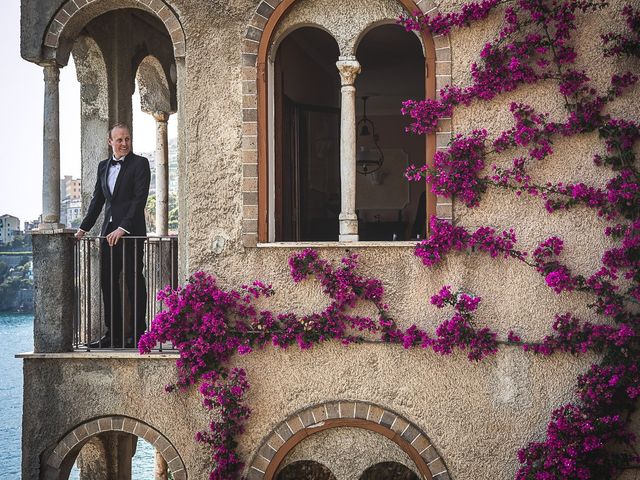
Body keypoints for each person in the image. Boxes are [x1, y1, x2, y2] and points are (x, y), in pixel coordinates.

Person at [76, 123, 151, 348]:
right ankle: (113, 335)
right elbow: (97, 200)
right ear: (110, 142)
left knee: (134, 282)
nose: (124, 143)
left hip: (131, 233)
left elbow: (139, 200)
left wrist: (123, 228)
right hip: (107, 233)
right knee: (108, 283)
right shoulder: (102, 166)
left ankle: (138, 335)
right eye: (119, 140)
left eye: (127, 139)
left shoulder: (141, 164)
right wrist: (84, 228)